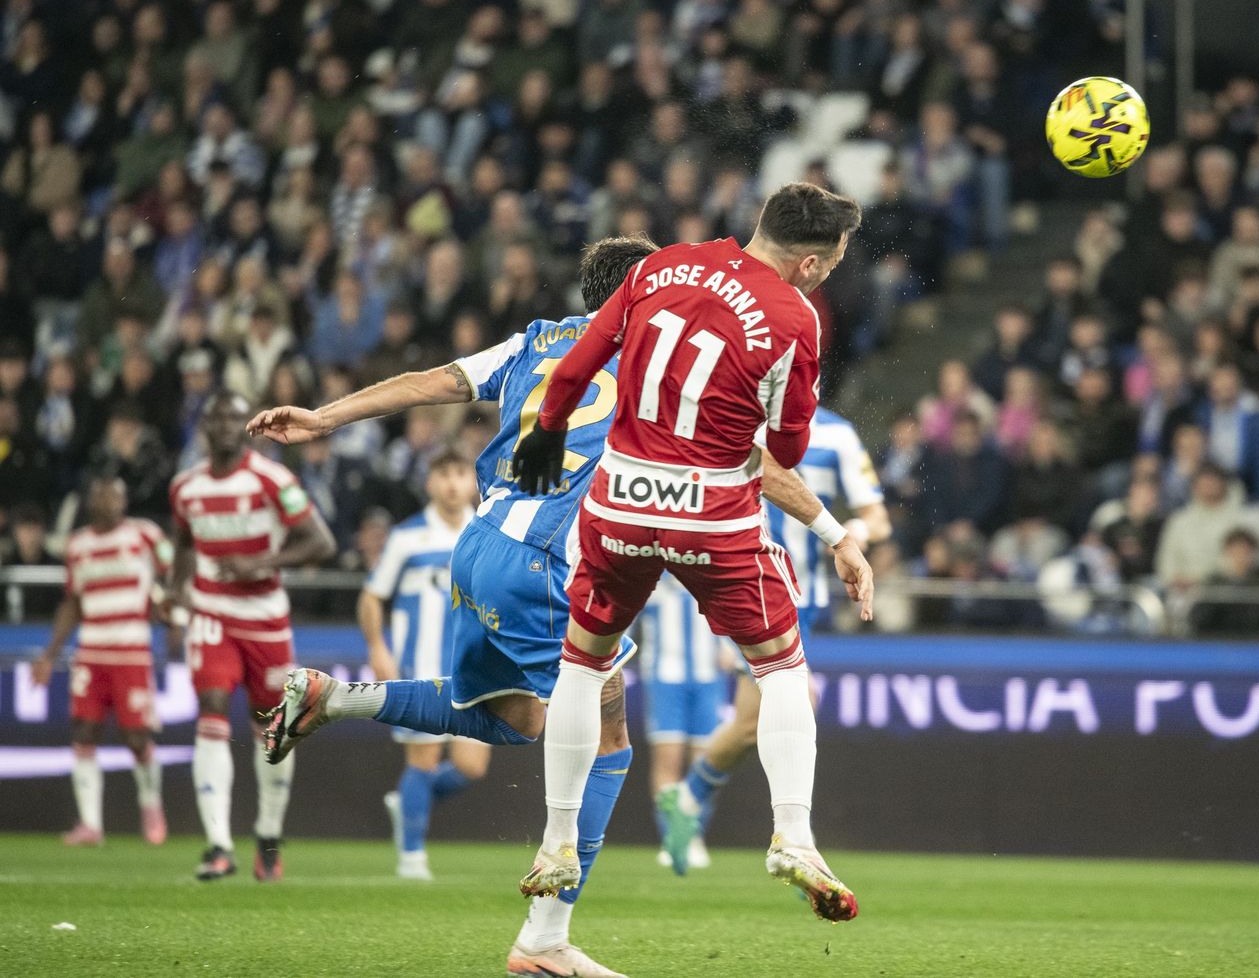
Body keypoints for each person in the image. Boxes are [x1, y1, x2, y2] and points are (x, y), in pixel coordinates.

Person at [246, 236, 858, 974]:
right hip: (544, 561)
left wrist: (323, 418)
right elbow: (753, 462)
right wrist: (830, 529)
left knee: (517, 721)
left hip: (476, 547)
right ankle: (545, 939)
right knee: (607, 738)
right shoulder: (656, 355)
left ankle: (332, 699)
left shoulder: (536, 341)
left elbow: (430, 380)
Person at [513, 182, 873, 922]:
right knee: (781, 669)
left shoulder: (661, 266)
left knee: (583, 661)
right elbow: (789, 446)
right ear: (807, 263)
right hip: (712, 512)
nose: (830, 272)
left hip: (619, 501)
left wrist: (549, 427)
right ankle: (795, 836)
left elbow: (581, 359)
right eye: (832, 262)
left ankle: (555, 841)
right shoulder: (793, 316)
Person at [656, 405, 891, 876]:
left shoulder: (838, 436)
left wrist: (846, 536)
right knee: (799, 696)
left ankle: (687, 796)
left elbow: (878, 518)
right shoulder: (737, 420)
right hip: (750, 584)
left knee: (748, 724)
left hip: (808, 599)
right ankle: (797, 838)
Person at [167, 391, 337, 882]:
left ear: (247, 426)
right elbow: (182, 545)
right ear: (204, 426)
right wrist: (175, 594)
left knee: (274, 728)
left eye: (233, 416)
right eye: (215, 415)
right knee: (212, 705)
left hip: (265, 617)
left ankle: (267, 833)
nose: (223, 424)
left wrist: (260, 563)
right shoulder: (185, 488)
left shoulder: (272, 478)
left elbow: (320, 541)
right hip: (212, 613)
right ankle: (218, 845)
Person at [359, 449, 482, 881]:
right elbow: (373, 595)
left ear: (473, 479)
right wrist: (378, 648)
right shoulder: (407, 537)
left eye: (460, 473)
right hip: (420, 668)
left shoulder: (487, 532)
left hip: (476, 669)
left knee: (472, 766)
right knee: (423, 758)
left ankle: (411, 800)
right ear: (430, 482)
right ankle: (412, 856)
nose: (452, 483)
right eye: (443, 474)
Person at [32, 475, 173, 847]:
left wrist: (173, 611)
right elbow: (72, 603)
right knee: (83, 732)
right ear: (90, 501)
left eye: (116, 496)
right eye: (102, 496)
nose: (109, 502)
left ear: (125, 501)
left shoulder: (145, 535)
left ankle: (150, 804)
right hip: (91, 651)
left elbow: (174, 574)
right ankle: (91, 824)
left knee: (136, 737)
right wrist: (49, 655)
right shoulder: (78, 545)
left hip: (131, 650)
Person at [635, 573, 732, 871]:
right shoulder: (650, 579)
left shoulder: (711, 575)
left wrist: (732, 647)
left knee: (706, 760)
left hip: (709, 681)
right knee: (668, 760)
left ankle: (693, 834)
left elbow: (734, 616)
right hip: (665, 680)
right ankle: (671, 836)